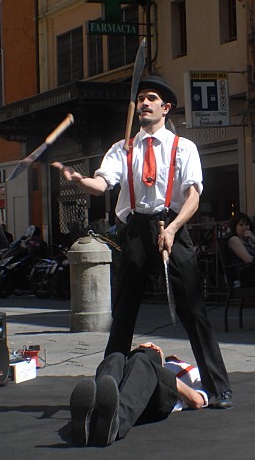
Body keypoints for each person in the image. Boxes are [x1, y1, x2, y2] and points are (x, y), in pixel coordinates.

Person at [53, 74, 232, 409]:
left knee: (194, 310)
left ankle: (219, 388)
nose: (144, 104)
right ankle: (106, 384)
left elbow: (193, 196)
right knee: (123, 312)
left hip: (173, 226)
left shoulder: (184, 148)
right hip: (135, 230)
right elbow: (102, 184)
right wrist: (79, 180)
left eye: (151, 98)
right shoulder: (123, 148)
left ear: (165, 108)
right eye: (140, 99)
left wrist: (174, 228)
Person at [69, 342, 208, 447]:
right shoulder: (137, 361)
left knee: (142, 360)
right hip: (134, 394)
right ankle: (95, 421)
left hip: (160, 397)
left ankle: (113, 423)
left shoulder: (192, 371)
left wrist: (158, 366)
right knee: (115, 357)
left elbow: (197, 401)